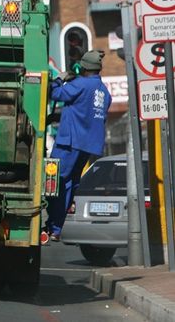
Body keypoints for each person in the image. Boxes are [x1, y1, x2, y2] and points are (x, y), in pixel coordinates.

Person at [43, 50, 112, 243]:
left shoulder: (80, 84)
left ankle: (53, 223)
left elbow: (54, 93)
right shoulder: (104, 92)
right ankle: (55, 228)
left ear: (84, 67)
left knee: (54, 182)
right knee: (70, 184)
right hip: (87, 146)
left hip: (69, 143)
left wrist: (59, 78)